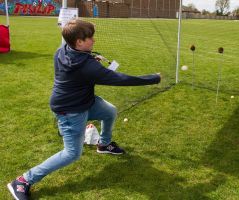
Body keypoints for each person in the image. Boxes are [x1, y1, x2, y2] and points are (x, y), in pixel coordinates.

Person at [7, 19, 161, 200]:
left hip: (85, 101)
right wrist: (152, 78)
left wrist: (90, 58)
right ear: (78, 42)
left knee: (110, 111)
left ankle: (103, 144)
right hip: (70, 110)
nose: (94, 40)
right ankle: (23, 180)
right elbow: (120, 79)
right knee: (72, 154)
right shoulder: (87, 67)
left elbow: (81, 65)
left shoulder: (63, 50)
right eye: (90, 38)